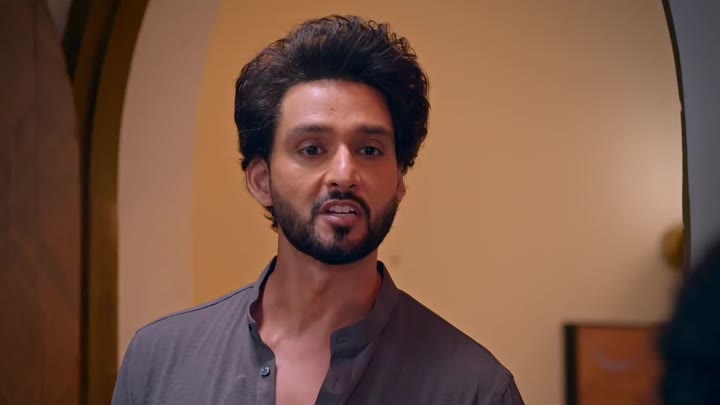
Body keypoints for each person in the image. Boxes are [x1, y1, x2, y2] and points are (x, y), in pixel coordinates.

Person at [112, 15, 524, 405]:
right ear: (262, 181)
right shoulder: (159, 363)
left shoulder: (475, 389)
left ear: (399, 181)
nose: (344, 174)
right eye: (312, 149)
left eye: (369, 150)